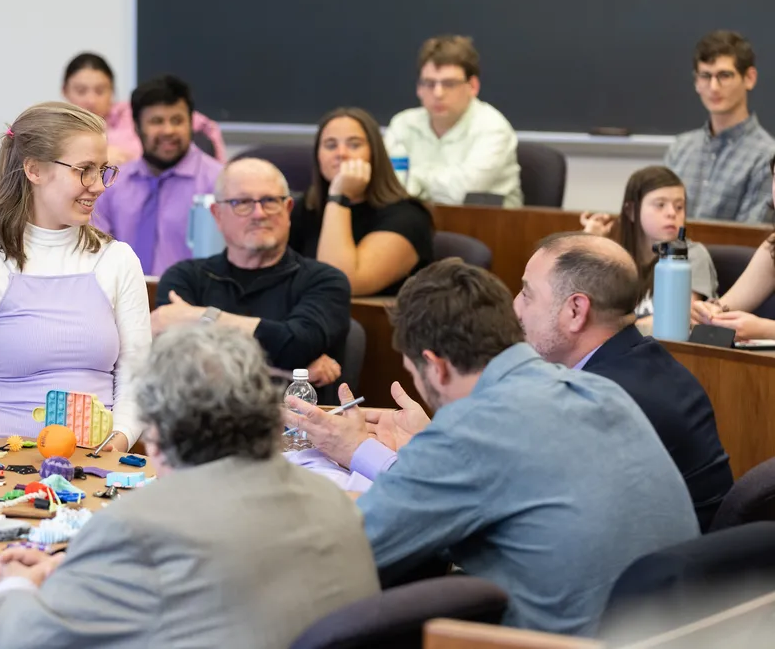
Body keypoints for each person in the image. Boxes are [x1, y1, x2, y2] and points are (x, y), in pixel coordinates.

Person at [285, 259, 698, 636]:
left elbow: (348, 547)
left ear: (437, 365)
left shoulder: (473, 429)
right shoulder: (600, 390)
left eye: (413, 371)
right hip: (678, 630)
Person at [0, 324, 379, 649]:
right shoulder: (332, 500)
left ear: (157, 435)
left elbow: (5, 640)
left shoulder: (137, 527)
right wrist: (74, 572)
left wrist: (15, 580)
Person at [0, 102, 149, 453]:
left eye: (102, 170)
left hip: (94, 464)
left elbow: (137, 377)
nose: (98, 186)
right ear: (34, 170)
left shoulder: (118, 260)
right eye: (84, 170)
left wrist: (120, 437)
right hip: (2, 462)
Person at [514, 232, 733, 531]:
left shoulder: (597, 403)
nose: (516, 306)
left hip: (659, 571)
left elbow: (520, 513)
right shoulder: (645, 361)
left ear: (576, 311)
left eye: (527, 294)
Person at [153, 158, 351, 388]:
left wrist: (200, 317)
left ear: (288, 210)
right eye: (243, 202)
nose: (259, 214)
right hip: (199, 417)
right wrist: (285, 373)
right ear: (217, 215)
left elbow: (296, 347)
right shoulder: (184, 278)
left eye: (269, 201)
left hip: (297, 419)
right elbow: (179, 366)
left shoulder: (325, 281)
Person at [290, 107, 434, 296]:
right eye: (330, 145)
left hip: (375, 323)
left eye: (354, 145)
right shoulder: (307, 207)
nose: (341, 153)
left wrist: (340, 197)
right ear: (318, 156)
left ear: (374, 154)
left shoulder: (408, 216)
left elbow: (341, 283)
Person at [92, 74, 223, 275]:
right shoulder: (111, 184)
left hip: (194, 302)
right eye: (156, 121)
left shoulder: (220, 183)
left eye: (177, 120)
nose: (168, 130)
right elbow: (95, 255)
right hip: (120, 299)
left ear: (190, 124)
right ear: (137, 127)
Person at [382, 35, 521, 207]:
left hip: (487, 225)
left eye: (449, 84)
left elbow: (463, 193)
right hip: (414, 220)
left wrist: (414, 179)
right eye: (429, 83)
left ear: (473, 86)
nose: (438, 93)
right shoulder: (402, 124)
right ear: (419, 88)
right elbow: (385, 186)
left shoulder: (493, 128)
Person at [579, 166, 717, 328]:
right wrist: (590, 242)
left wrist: (615, 330)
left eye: (679, 207)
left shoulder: (692, 255)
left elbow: (678, 320)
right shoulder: (615, 255)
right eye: (660, 205)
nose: (672, 213)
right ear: (631, 211)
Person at [665, 30, 775, 223]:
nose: (714, 87)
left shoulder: (767, 157)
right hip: (672, 254)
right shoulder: (679, 149)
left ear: (749, 78)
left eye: (724, 75)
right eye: (706, 76)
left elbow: (747, 239)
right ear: (696, 82)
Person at [62, 52, 227, 165]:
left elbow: (206, 126)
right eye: (81, 91)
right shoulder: (53, 129)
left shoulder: (137, 112)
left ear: (112, 91)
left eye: (100, 91)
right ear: (65, 91)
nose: (91, 100)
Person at [692, 156, 775, 339]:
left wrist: (765, 329)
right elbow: (727, 306)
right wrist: (709, 311)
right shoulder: (773, 246)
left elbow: (761, 328)